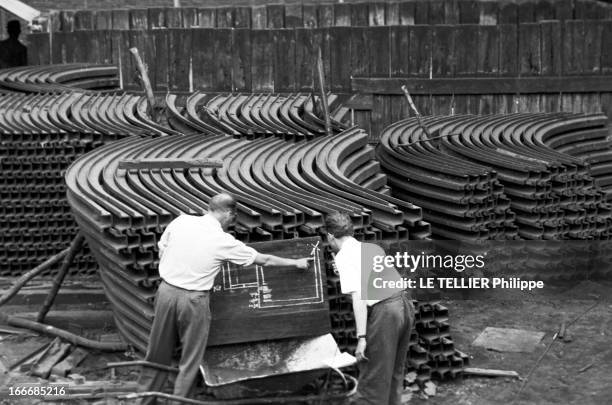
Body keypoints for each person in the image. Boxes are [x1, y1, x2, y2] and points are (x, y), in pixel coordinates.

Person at [138, 193, 311, 402]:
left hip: (165, 293)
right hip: (193, 301)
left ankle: (144, 400)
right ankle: (179, 402)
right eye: (233, 218)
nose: (232, 223)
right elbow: (263, 260)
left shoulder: (181, 221)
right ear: (228, 213)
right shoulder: (222, 241)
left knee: (157, 352)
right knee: (190, 359)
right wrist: (295, 263)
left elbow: (161, 248)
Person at [325, 212, 415, 405]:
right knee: (393, 374)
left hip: (386, 312)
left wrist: (361, 338)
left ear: (330, 236)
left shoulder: (343, 257)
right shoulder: (371, 248)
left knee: (373, 377)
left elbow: (358, 297)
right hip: (405, 306)